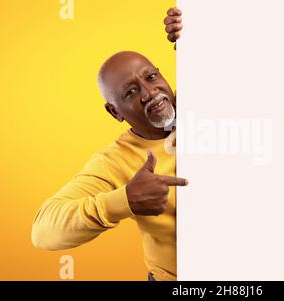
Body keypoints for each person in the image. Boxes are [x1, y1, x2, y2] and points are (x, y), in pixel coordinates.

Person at [31, 7, 186, 281]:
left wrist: (201, 40)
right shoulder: (115, 160)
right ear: (115, 112)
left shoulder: (208, 103)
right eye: (131, 91)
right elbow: (43, 231)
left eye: (151, 77)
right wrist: (125, 200)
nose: (150, 93)